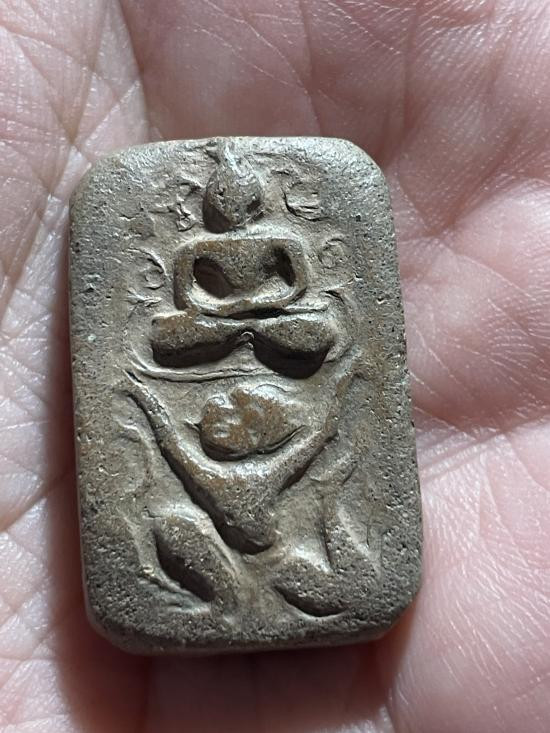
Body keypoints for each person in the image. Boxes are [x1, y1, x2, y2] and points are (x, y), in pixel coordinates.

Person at [1, 1, 549, 731]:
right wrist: (233, 325)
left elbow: (295, 293)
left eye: (239, 199)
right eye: (220, 200)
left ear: (255, 198)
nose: (229, 208)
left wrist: (258, 321)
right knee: (171, 334)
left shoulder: (279, 245)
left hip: (273, 331)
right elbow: (187, 305)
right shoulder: (200, 253)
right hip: (220, 335)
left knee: (316, 329)